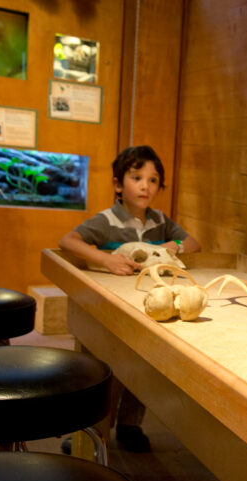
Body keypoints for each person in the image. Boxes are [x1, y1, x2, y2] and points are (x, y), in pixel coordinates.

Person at [59, 145, 200, 451]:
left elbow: (193, 242)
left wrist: (175, 245)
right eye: (137, 177)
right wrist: (105, 259)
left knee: (144, 363)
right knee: (105, 364)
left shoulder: (160, 221)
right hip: (111, 304)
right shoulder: (106, 220)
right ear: (118, 184)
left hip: (149, 302)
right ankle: (92, 431)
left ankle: (130, 425)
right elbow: (68, 241)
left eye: (152, 180)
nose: (145, 186)